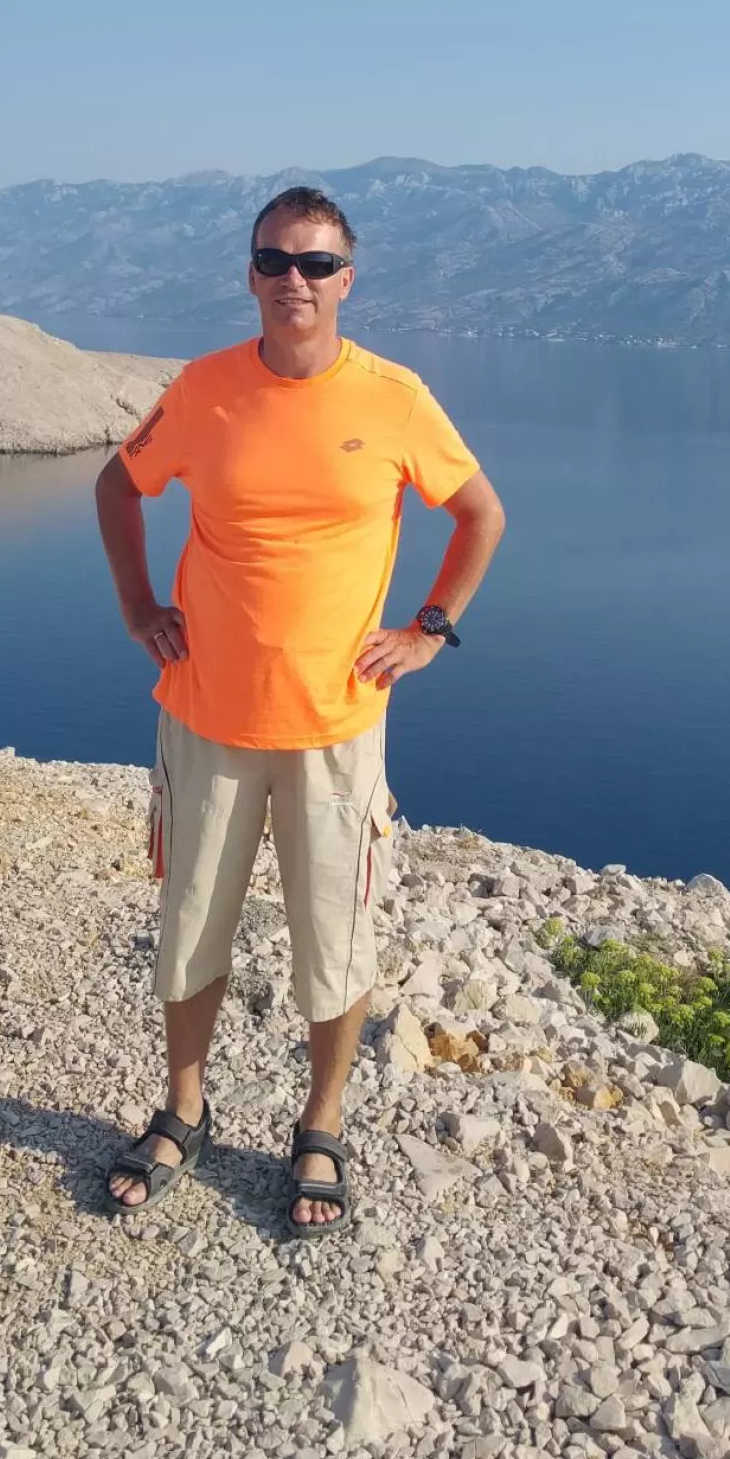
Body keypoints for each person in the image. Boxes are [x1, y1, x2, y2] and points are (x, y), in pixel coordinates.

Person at [95, 184, 505, 1235]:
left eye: (316, 263)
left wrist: (430, 629)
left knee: (336, 937)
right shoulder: (205, 388)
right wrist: (139, 606)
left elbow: (479, 514)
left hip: (336, 723)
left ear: (346, 279)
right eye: (275, 260)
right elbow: (118, 486)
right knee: (190, 926)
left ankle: (320, 1121)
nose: (295, 280)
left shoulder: (394, 397)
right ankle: (184, 1109)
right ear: (250, 274)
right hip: (205, 713)